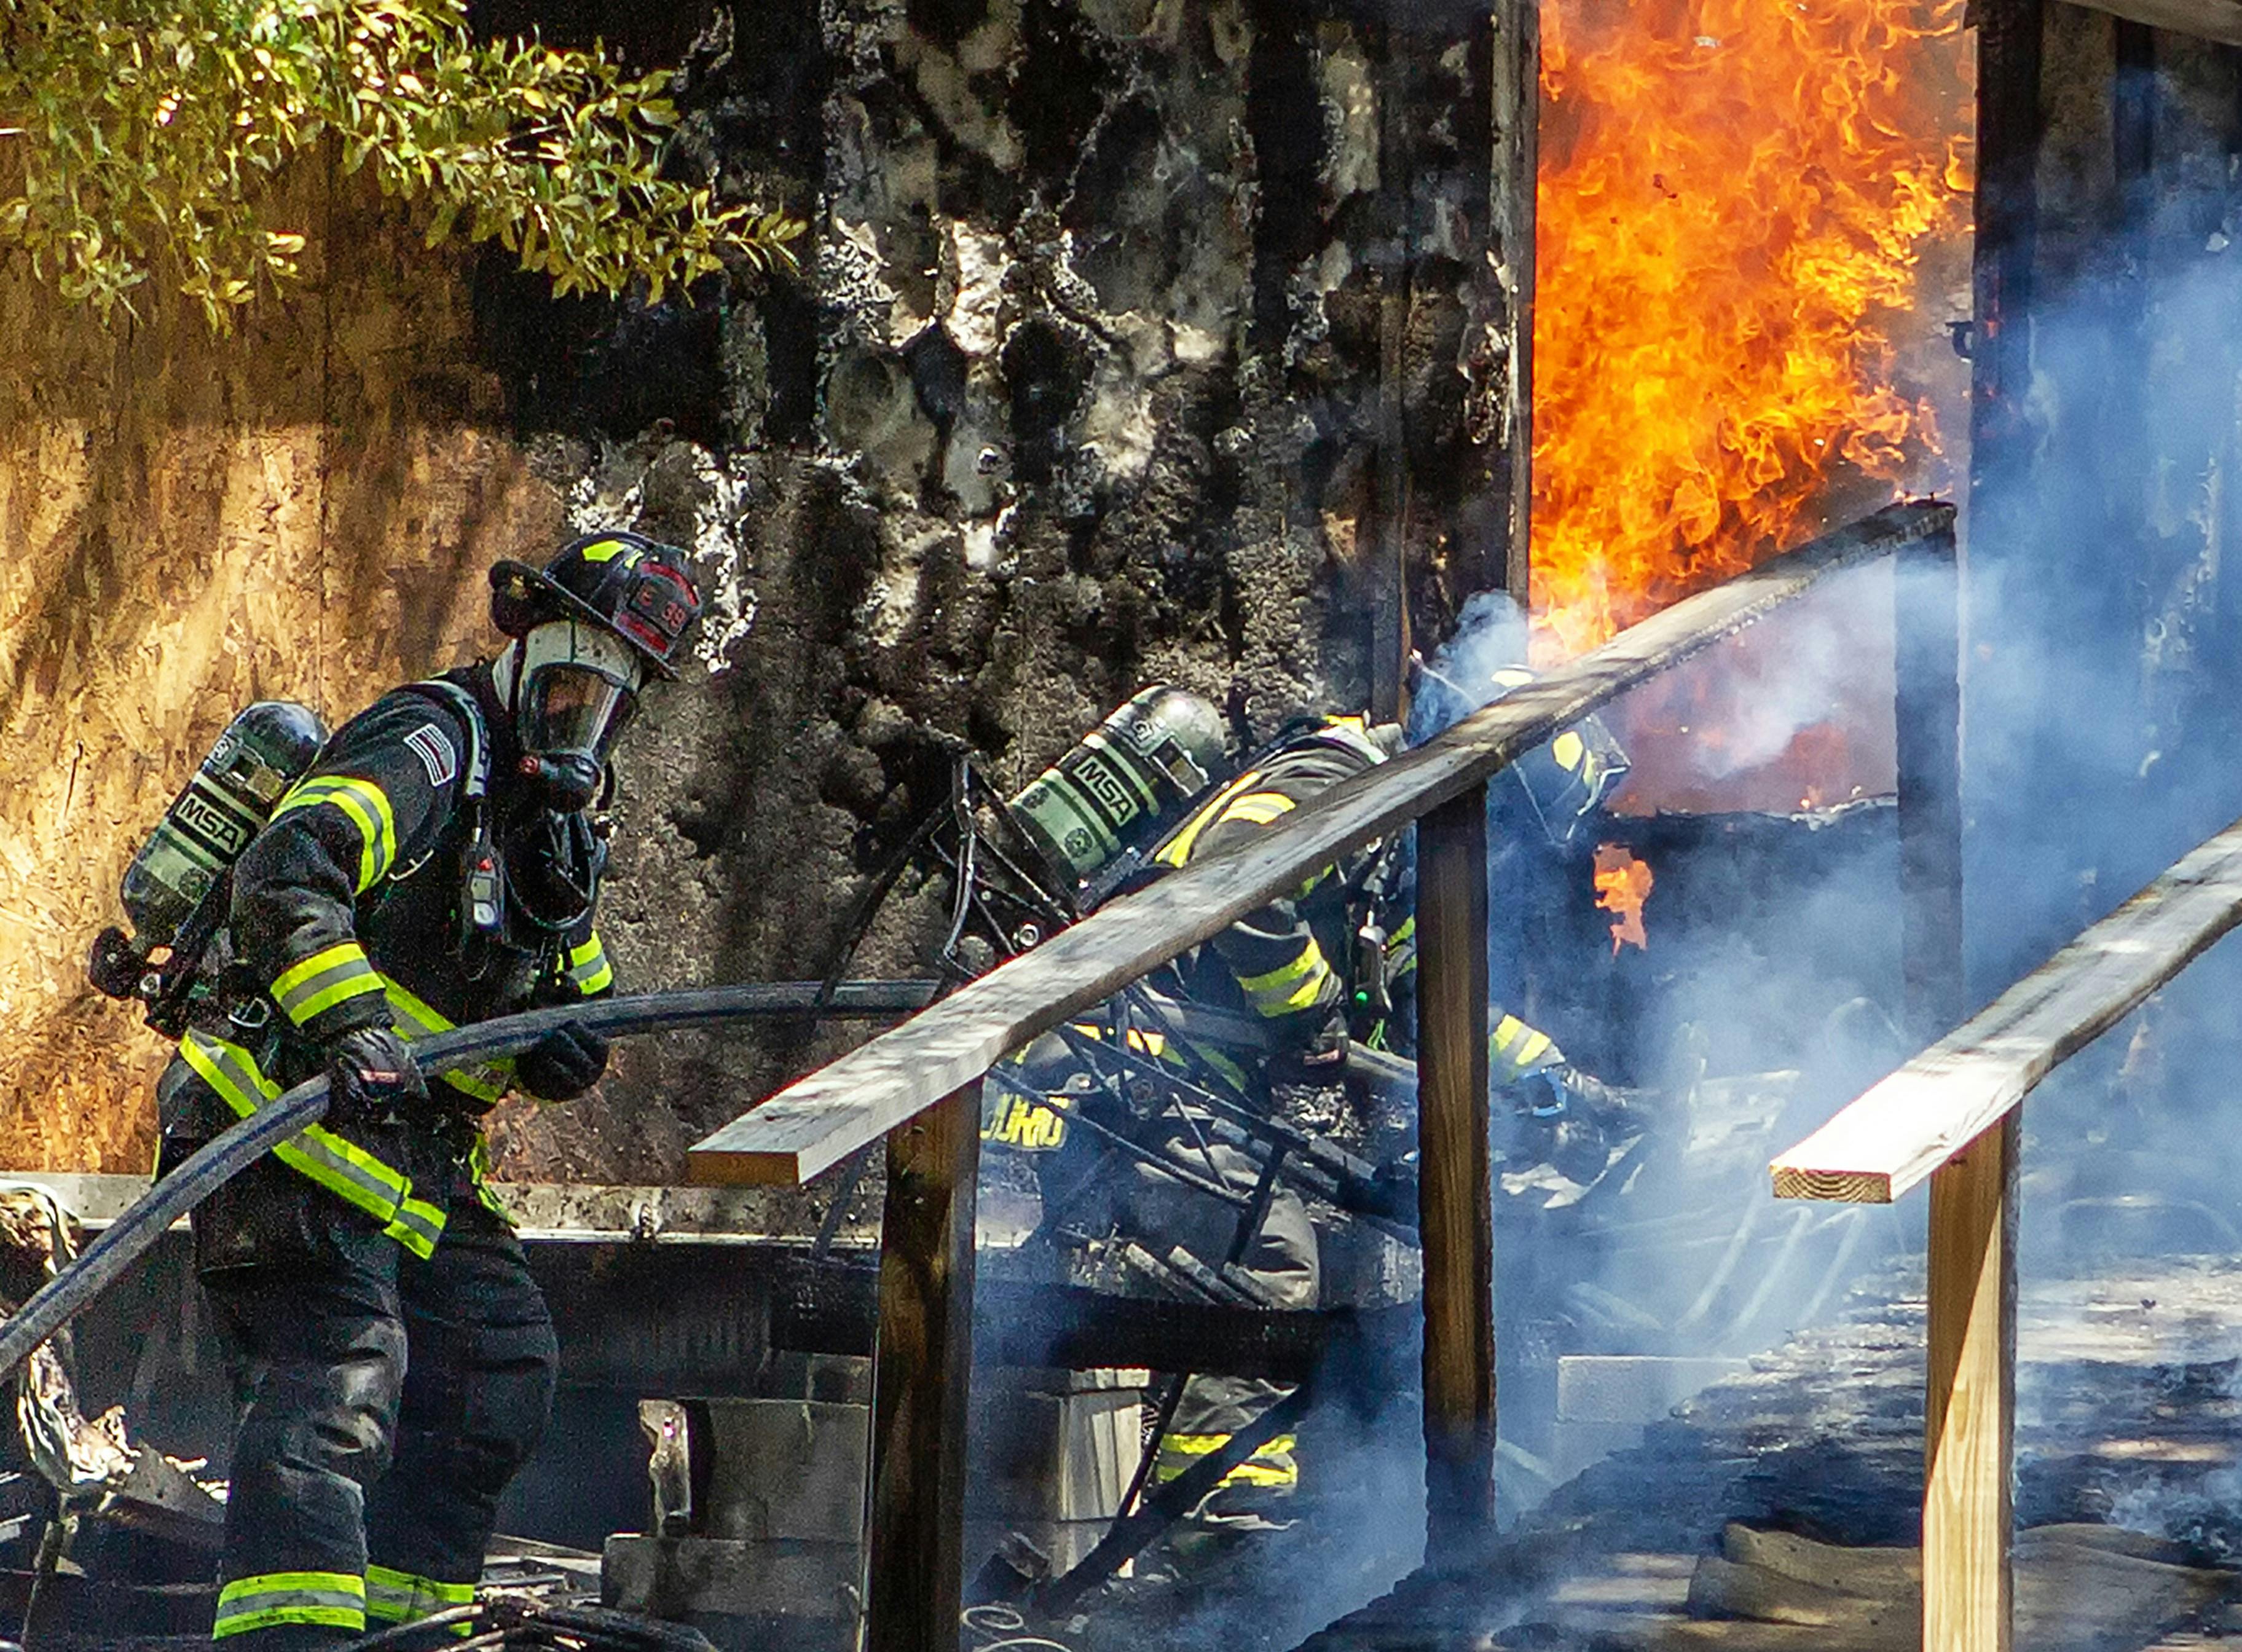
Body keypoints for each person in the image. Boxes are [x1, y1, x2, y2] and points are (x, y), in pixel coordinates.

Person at [152, 532, 702, 1648]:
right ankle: (290, 1642)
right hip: (282, 1125)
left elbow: (573, 984)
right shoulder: (431, 744)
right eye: (567, 683)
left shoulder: (560, 820)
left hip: (409, 1162)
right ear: (524, 654)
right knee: (337, 1382)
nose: (578, 717)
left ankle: (417, 1633)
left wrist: (570, 1048)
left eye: (608, 701)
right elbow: (286, 870)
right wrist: (350, 1023)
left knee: (497, 1369)